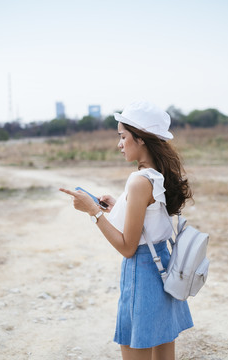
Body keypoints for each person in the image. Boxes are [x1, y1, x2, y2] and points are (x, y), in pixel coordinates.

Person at [59, 101, 194, 360]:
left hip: (143, 273)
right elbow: (148, 221)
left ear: (140, 139)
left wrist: (94, 212)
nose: (119, 143)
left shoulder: (138, 180)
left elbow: (127, 247)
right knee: (164, 345)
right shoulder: (157, 174)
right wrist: (117, 207)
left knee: (135, 349)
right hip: (164, 265)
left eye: (122, 136)